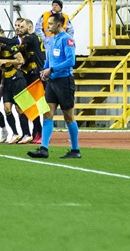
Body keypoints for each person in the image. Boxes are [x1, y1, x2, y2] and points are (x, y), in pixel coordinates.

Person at [28, 15, 82, 160]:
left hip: (64, 82)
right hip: (52, 82)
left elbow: (71, 61)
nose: (48, 27)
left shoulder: (67, 39)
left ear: (59, 25)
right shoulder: (51, 40)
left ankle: (75, 150)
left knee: (68, 116)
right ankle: (44, 148)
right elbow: (49, 59)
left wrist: (51, 70)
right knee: (47, 114)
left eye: (51, 24)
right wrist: (44, 71)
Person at [15, 17, 46, 144]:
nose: (18, 29)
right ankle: (35, 132)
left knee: (37, 106)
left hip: (36, 75)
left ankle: (39, 133)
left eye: (21, 27)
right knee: (31, 106)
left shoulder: (31, 37)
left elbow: (14, 43)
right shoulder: (29, 41)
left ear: (30, 27)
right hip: (32, 74)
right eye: (17, 26)